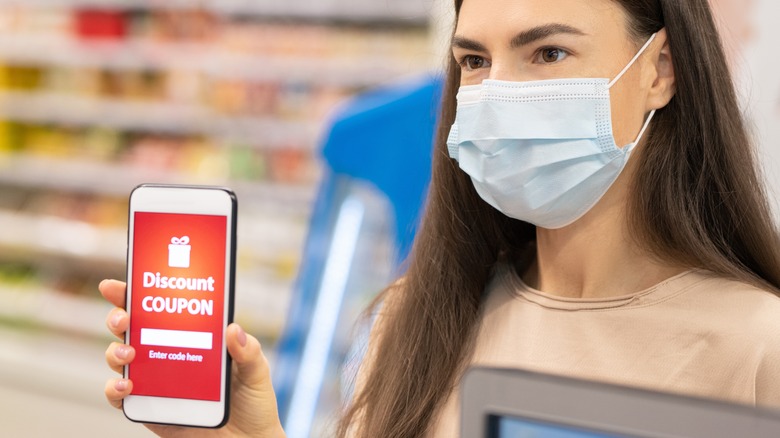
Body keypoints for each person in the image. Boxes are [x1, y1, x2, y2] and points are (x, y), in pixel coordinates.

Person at [101, 0, 780, 436]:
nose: (498, 93)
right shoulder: (412, 318)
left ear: (660, 69)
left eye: (548, 53)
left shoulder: (759, 348)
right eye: (475, 61)